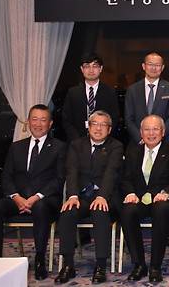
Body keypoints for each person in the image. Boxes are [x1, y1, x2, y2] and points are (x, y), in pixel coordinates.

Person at [0, 104, 66, 280]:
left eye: (43, 120)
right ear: (29, 122)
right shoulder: (17, 147)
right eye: (35, 119)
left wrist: (35, 198)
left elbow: (59, 179)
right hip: (19, 199)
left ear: (50, 123)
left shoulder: (59, 147)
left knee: (40, 207)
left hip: (46, 200)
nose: (38, 124)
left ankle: (39, 259)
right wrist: (16, 197)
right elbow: (6, 176)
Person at [55, 111, 123, 284]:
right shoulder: (76, 145)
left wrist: (102, 197)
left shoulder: (116, 146)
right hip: (83, 196)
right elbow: (71, 172)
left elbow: (111, 174)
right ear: (88, 126)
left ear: (109, 129)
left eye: (103, 125)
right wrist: (72, 196)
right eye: (95, 124)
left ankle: (100, 265)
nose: (98, 128)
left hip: (107, 197)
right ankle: (68, 265)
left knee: (100, 212)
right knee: (67, 213)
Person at [119, 115, 169, 283]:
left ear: (163, 132)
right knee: (127, 211)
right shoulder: (133, 151)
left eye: (155, 129)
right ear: (141, 132)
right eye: (147, 129)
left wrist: (167, 192)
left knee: (161, 209)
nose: (151, 133)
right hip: (139, 200)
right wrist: (130, 193)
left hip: (163, 200)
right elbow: (125, 179)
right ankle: (139, 264)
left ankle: (155, 266)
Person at [62, 53, 119, 142]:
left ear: (100, 69)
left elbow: (114, 119)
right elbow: (66, 120)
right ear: (82, 69)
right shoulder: (73, 93)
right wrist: (76, 139)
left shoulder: (110, 92)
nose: (91, 70)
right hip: (77, 142)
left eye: (95, 66)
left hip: (103, 140)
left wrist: (102, 137)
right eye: (87, 66)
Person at [124, 52, 169, 144]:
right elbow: (128, 118)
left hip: (164, 142)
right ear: (143, 66)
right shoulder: (132, 90)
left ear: (162, 68)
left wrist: (159, 135)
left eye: (157, 65)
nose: (153, 68)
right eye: (150, 64)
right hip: (138, 142)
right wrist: (140, 137)